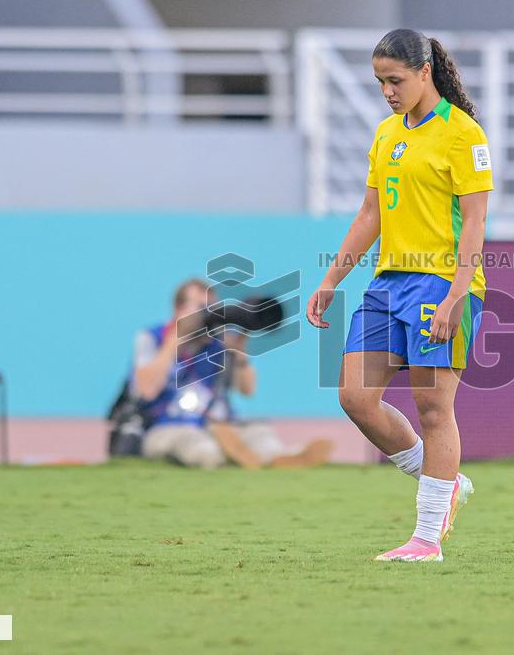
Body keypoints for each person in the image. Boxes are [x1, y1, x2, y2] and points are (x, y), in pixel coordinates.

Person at [306, 29, 491, 562]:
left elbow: (476, 221)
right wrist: (331, 280)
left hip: (441, 282)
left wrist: (459, 293)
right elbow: (371, 214)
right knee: (355, 398)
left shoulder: (464, 135)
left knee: (434, 409)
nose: (387, 91)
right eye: (380, 82)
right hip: (388, 282)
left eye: (395, 80)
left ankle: (426, 539)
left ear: (425, 71)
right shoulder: (387, 133)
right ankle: (445, 481)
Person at [135, 278, 332, 469]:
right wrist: (175, 341)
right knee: (197, 445)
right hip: (169, 426)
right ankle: (231, 455)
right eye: (202, 308)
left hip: (220, 425)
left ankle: (279, 456)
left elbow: (247, 389)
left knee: (260, 434)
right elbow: (147, 391)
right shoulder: (153, 338)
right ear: (179, 310)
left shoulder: (218, 343)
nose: (209, 315)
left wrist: (239, 351)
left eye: (213, 308)